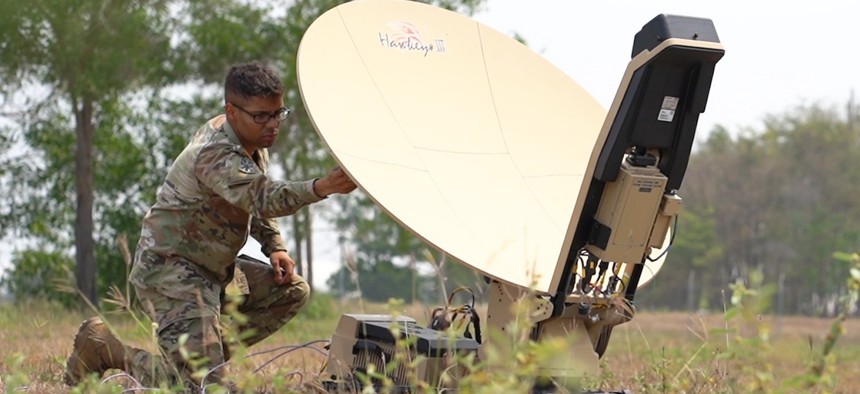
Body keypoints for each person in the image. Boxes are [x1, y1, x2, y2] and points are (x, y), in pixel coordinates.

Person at [63, 61, 357, 391]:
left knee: (290, 291)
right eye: (261, 116)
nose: (273, 124)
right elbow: (262, 197)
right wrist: (322, 186)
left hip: (214, 270)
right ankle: (103, 347)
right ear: (232, 111)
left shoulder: (253, 141)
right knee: (198, 387)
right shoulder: (214, 152)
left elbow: (251, 199)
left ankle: (205, 358)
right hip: (172, 271)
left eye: (278, 113)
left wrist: (275, 246)